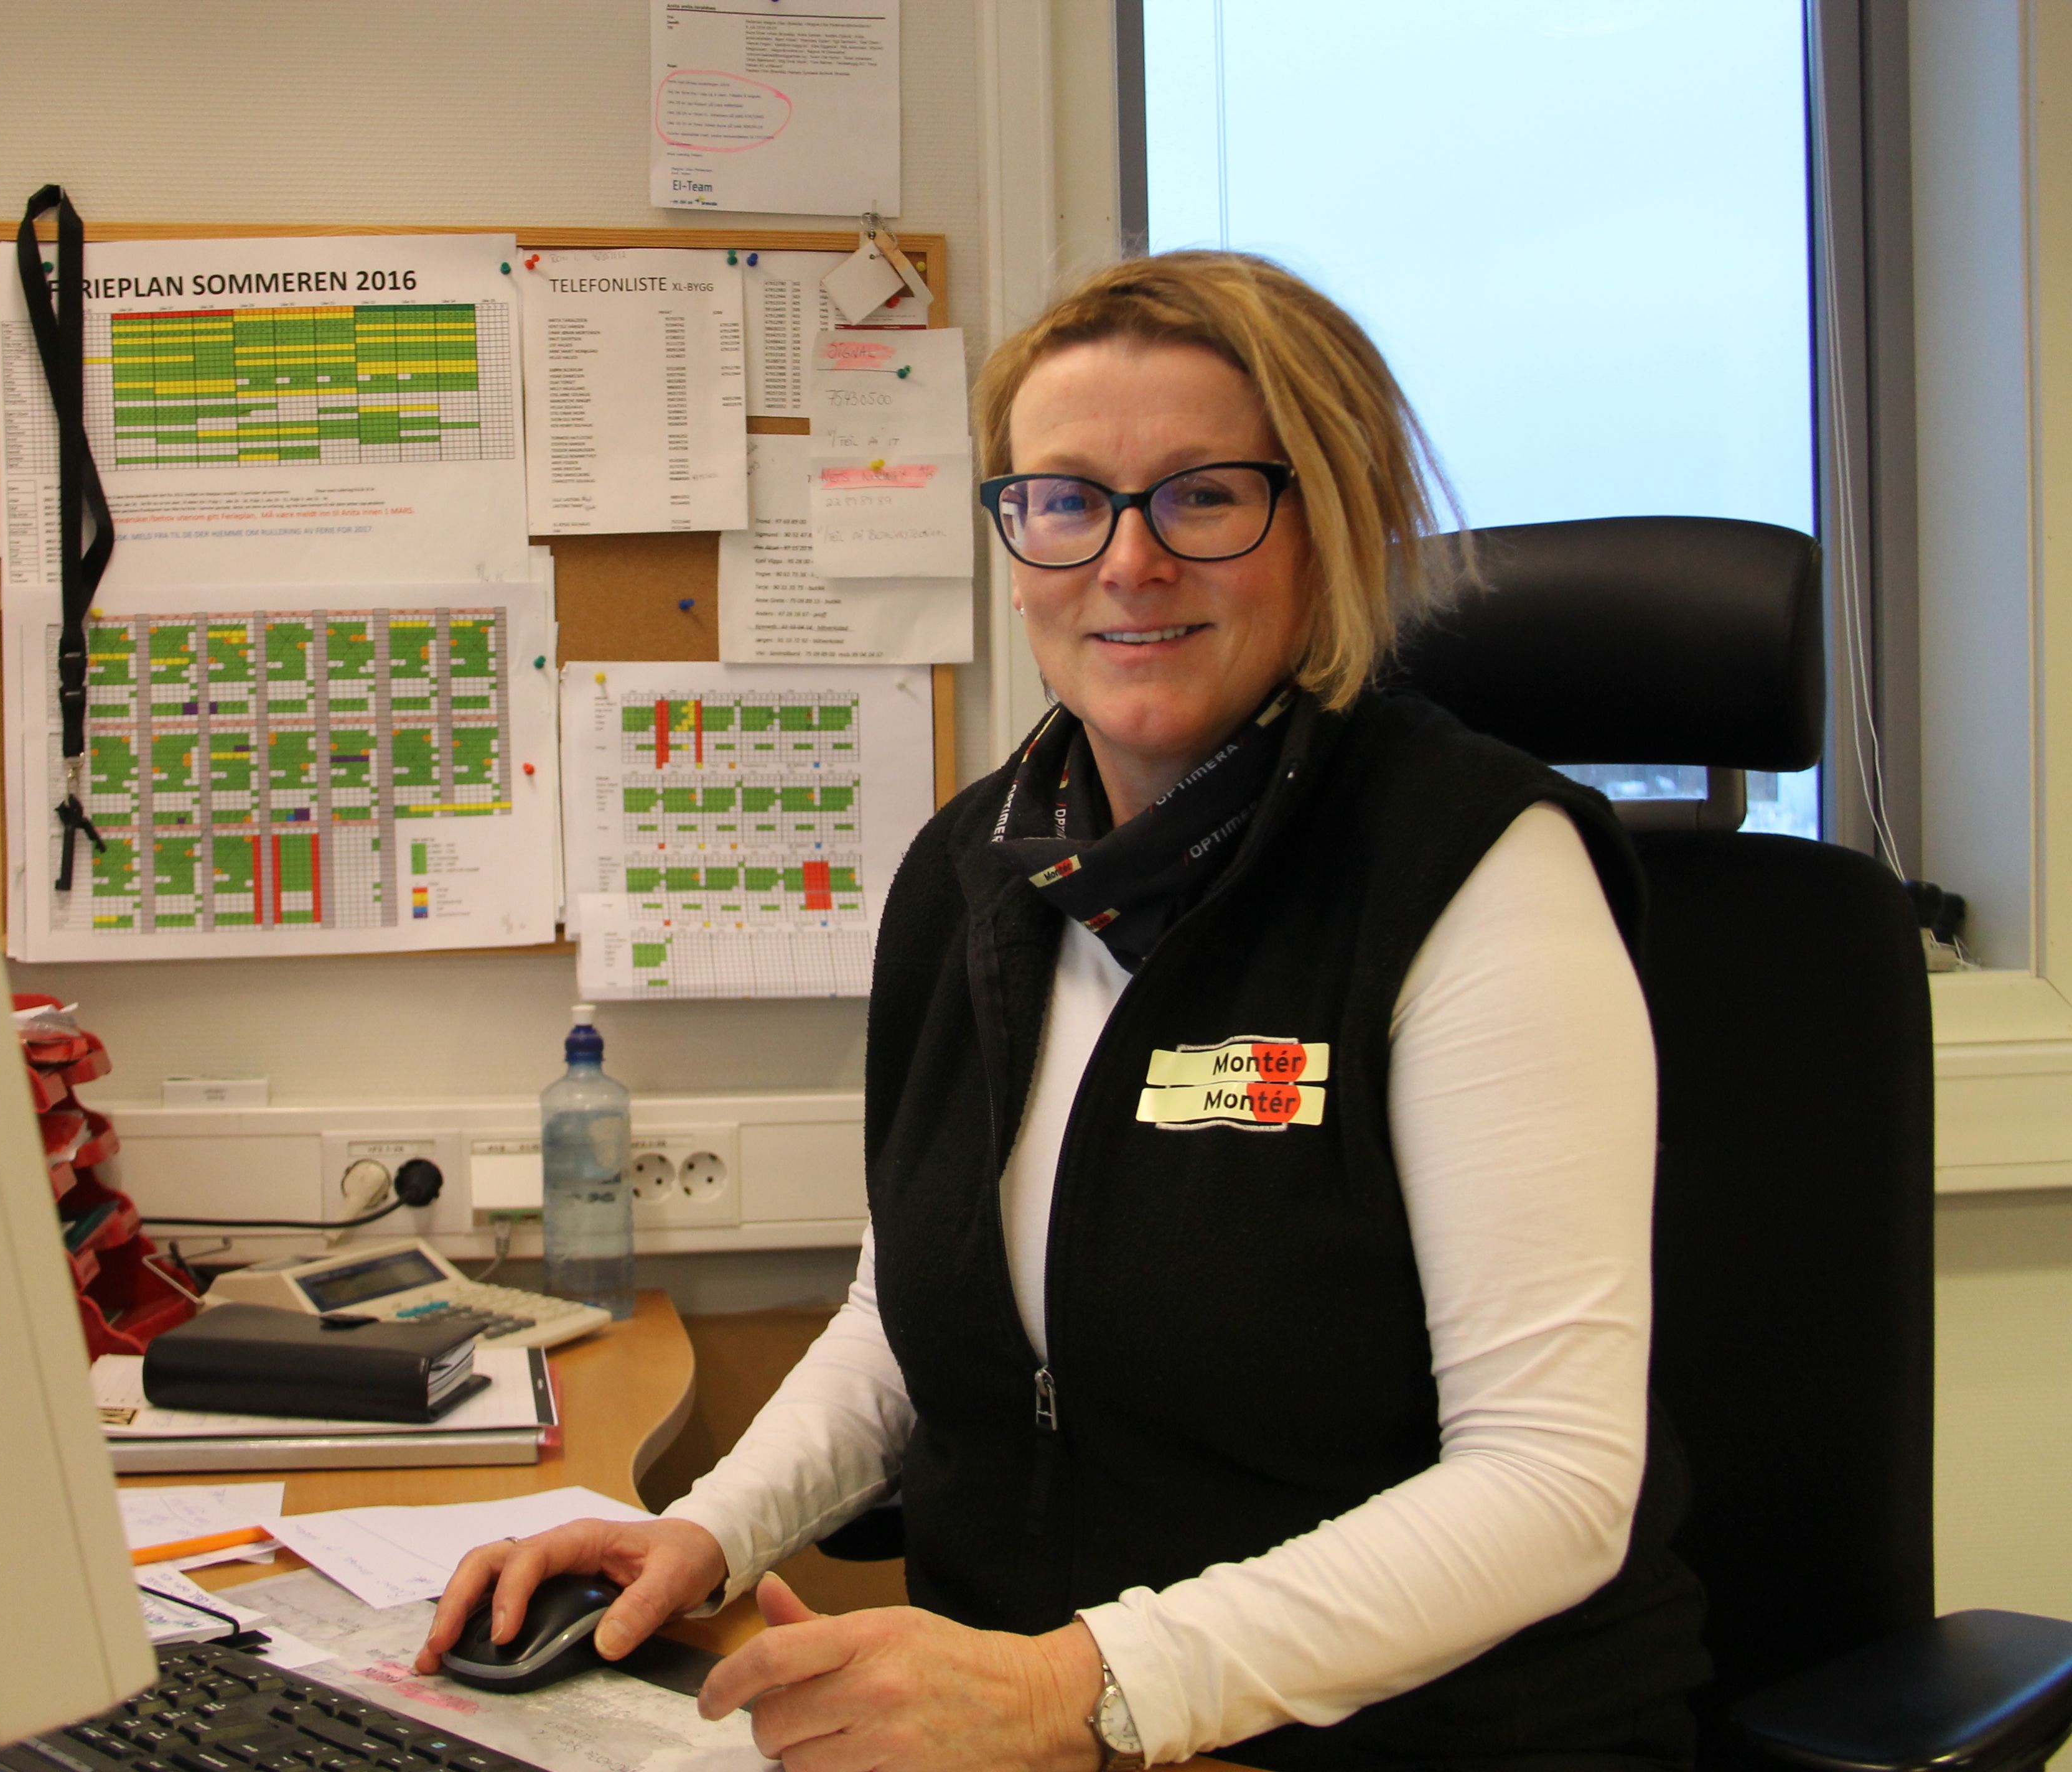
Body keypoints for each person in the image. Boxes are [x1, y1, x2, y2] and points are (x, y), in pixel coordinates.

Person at [417, 252, 1709, 1770]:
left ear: (1331, 521)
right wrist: (699, 1535)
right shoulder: (973, 870)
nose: (1128, 561)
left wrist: (1072, 1686)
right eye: (1065, 500)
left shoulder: (1472, 870)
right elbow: (903, 1325)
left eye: (1204, 496)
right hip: (1034, 1729)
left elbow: (1552, 1480)